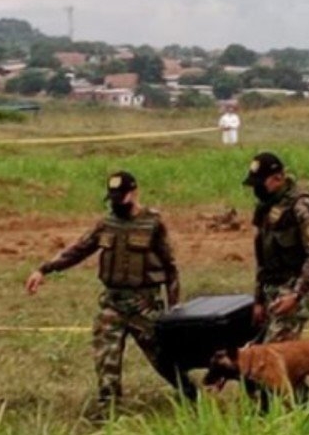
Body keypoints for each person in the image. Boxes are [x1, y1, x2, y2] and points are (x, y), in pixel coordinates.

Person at [25, 171, 196, 414]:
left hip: (144, 306)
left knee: (165, 359)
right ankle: (109, 413)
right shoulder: (106, 224)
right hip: (112, 304)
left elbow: (171, 269)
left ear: (134, 193)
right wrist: (44, 269)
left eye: (122, 198)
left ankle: (194, 395)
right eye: (113, 199)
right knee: (106, 360)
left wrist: (173, 311)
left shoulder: (153, 224)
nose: (117, 204)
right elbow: (78, 249)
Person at [243, 152, 309, 344]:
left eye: (261, 182)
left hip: (293, 289)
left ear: (278, 178)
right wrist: (259, 300)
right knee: (256, 357)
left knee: (271, 362)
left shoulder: (300, 205)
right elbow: (262, 259)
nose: (258, 188)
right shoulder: (265, 207)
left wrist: (295, 296)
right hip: (271, 290)